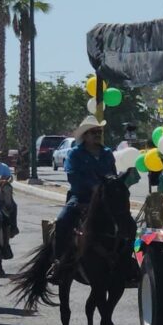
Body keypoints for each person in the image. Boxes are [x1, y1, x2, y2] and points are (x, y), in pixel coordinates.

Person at [46, 116, 116, 283]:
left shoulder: (107, 153)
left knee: (125, 221)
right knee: (63, 220)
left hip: (104, 199)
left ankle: (126, 262)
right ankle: (59, 263)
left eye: (99, 131)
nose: (97, 134)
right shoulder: (74, 154)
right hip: (81, 197)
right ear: (85, 135)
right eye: (93, 132)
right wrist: (93, 187)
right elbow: (73, 176)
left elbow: (112, 174)